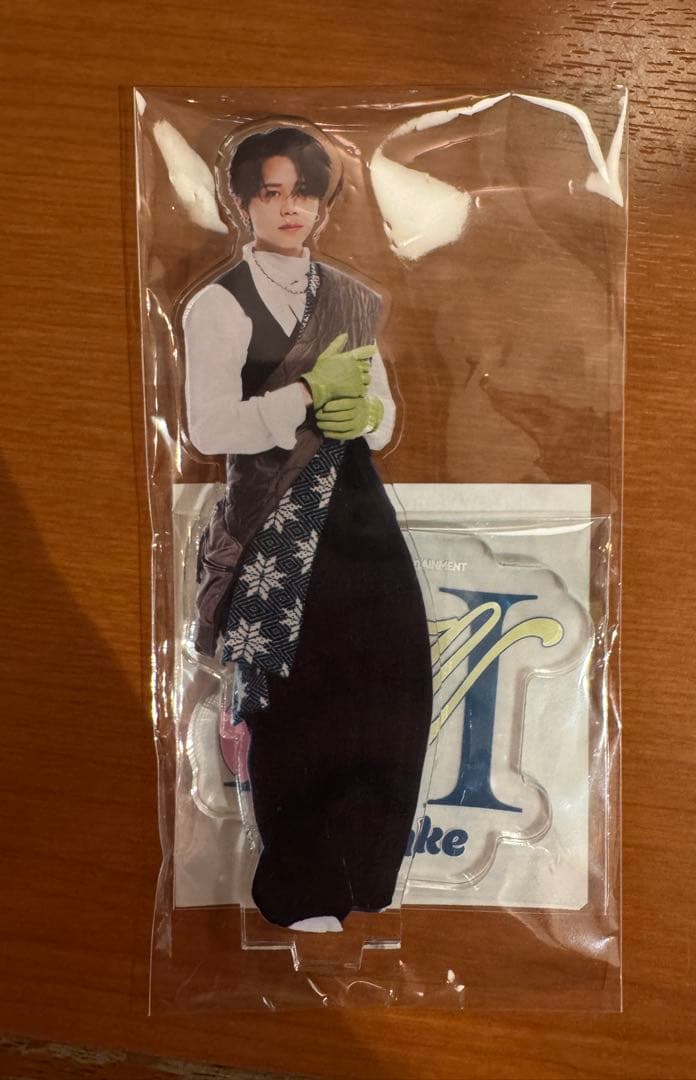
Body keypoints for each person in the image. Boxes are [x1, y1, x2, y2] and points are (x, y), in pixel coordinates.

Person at [183, 126, 433, 933]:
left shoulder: (350, 298)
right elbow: (207, 426)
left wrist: (365, 414)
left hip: (354, 509)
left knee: (389, 671)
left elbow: (381, 414)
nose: (290, 208)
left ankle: (368, 868)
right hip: (273, 523)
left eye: (304, 192)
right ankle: (298, 886)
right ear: (243, 202)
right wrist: (304, 398)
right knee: (294, 693)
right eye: (271, 192)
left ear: (324, 203)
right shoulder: (219, 304)